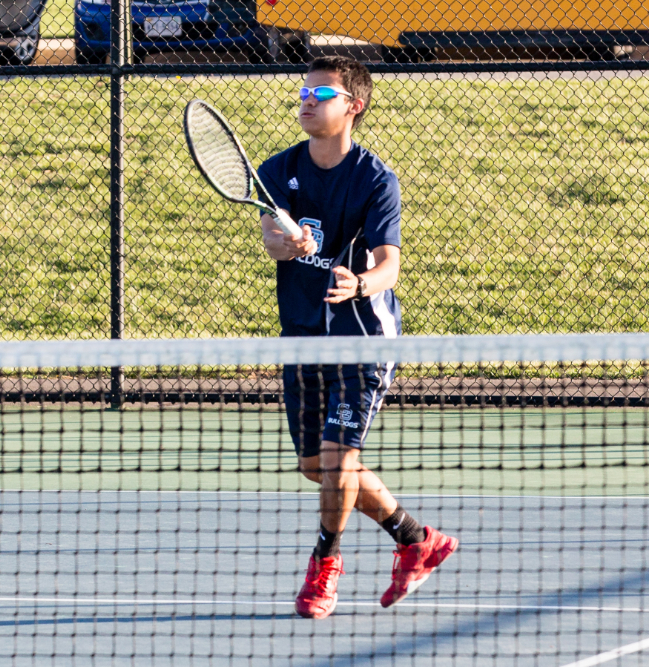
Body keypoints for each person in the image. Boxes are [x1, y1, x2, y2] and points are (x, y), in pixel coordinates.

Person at [256, 55, 458, 620]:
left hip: (363, 338)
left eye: (321, 94)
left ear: (353, 107)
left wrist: (360, 283)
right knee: (316, 465)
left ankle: (325, 563)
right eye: (303, 91)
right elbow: (272, 240)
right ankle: (416, 539)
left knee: (340, 461)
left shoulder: (376, 180)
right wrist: (286, 244)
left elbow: (390, 264)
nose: (306, 99)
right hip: (301, 333)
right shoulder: (277, 171)